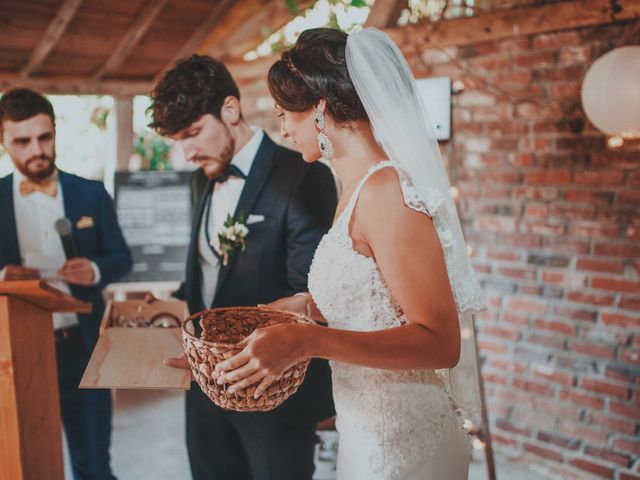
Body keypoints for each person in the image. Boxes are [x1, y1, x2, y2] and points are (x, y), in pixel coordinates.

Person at [215, 28, 487, 479]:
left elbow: (440, 342)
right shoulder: (355, 190)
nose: (282, 128)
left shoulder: (386, 191)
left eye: (286, 114)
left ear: (320, 109)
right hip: (364, 432)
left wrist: (307, 341)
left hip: (405, 447)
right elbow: (373, 302)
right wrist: (301, 309)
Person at [148, 55, 337, 480]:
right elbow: (207, 273)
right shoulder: (201, 178)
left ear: (230, 110)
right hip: (202, 391)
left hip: (272, 391)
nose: (187, 151)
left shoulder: (303, 176)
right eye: (178, 140)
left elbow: (310, 292)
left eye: (193, 133)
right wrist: (170, 304)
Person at [0, 88, 132, 479]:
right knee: (21, 460)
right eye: (22, 141)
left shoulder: (90, 193)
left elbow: (121, 256)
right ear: (4, 141)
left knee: (94, 463)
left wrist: (93, 269)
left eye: (44, 137)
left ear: (55, 132)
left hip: (81, 345)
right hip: (12, 350)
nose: (36, 149)